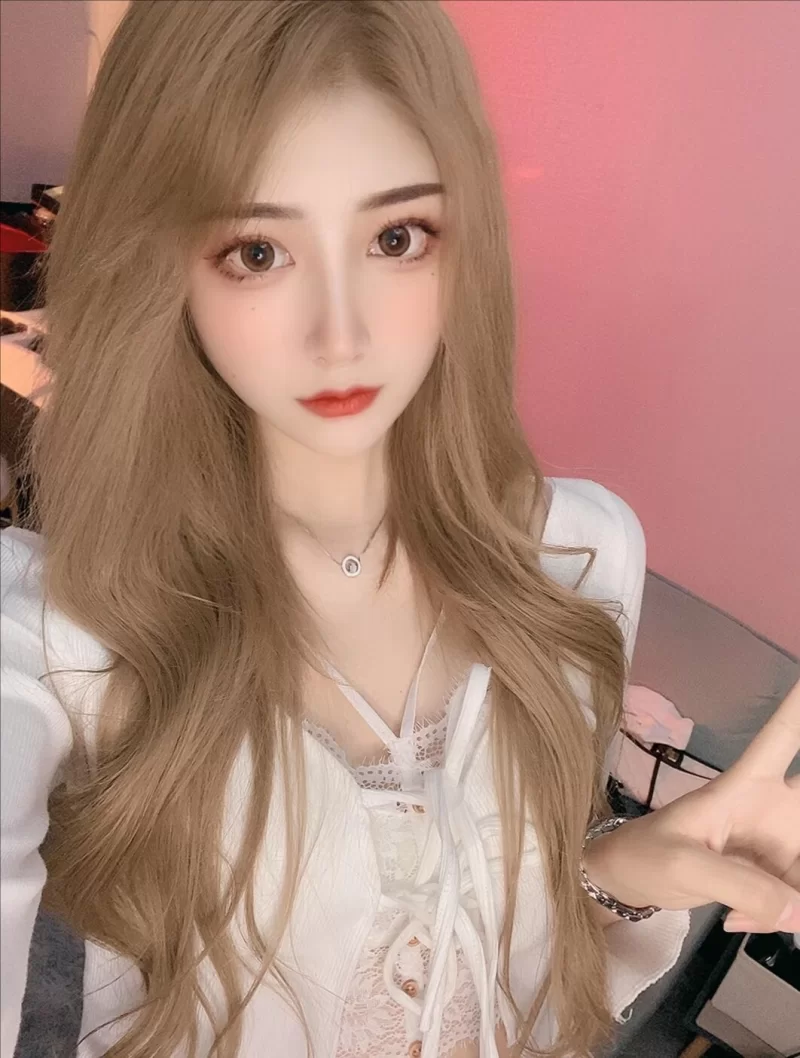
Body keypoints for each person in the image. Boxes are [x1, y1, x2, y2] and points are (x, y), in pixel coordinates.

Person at [1, 3, 798, 1057]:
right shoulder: (50, 638)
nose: (342, 333)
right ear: (164, 263)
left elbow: (507, 948)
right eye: (256, 250)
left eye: (394, 237)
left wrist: (621, 868)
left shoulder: (576, 554)